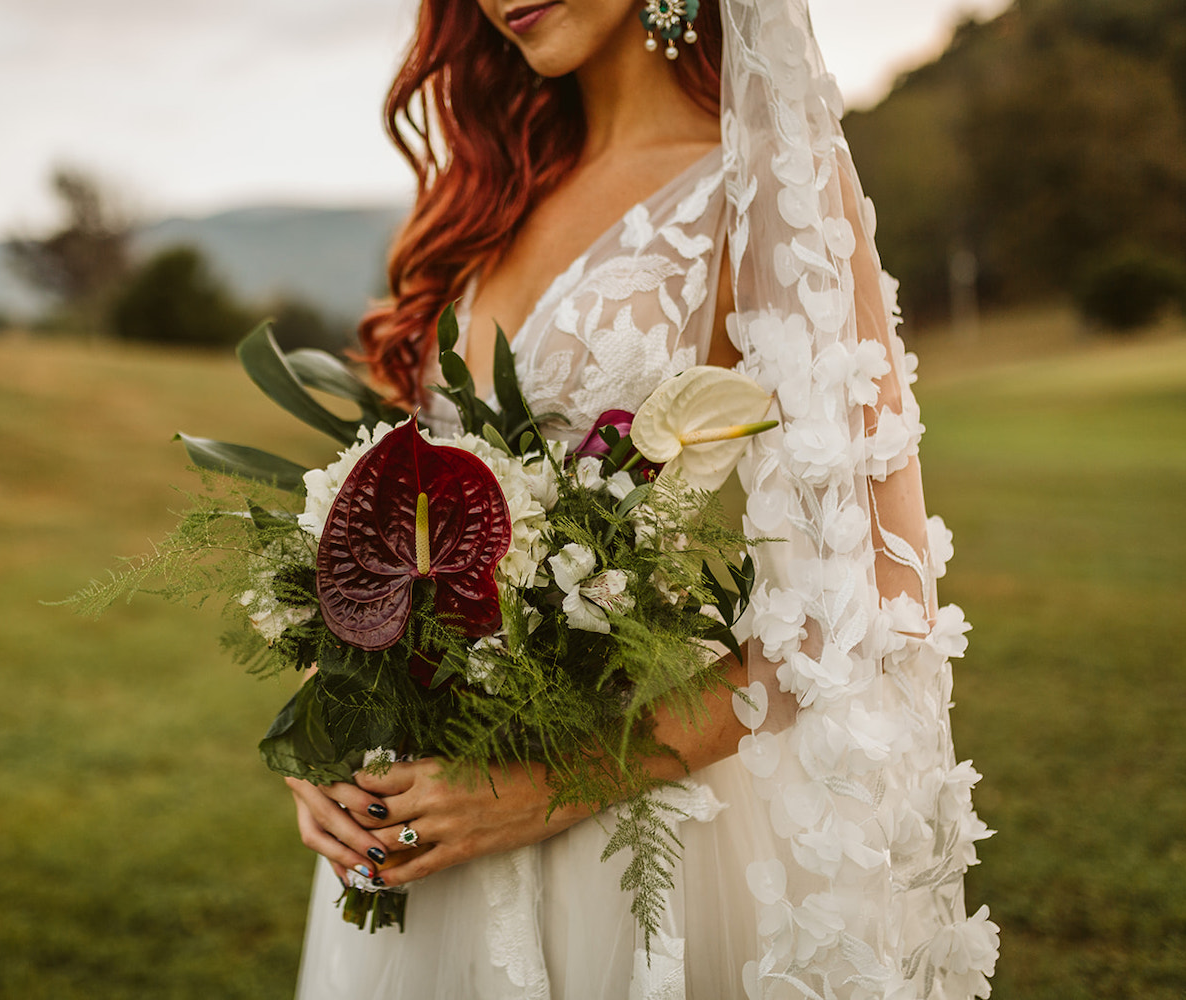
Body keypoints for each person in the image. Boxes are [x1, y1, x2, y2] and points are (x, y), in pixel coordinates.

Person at [285, 1, 999, 997]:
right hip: (421, 843)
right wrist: (329, 739)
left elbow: (874, 588)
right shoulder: (486, 193)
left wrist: (542, 789)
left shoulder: (762, 187)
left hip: (627, 851)